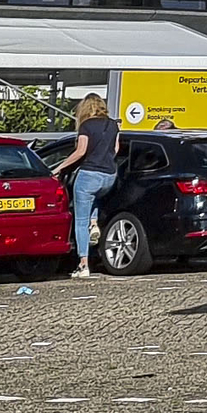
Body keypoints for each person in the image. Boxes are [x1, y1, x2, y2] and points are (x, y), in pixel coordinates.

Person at [52, 95, 120, 278]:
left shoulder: (86, 126)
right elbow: (116, 149)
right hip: (109, 175)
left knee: (79, 221)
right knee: (95, 196)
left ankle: (83, 264)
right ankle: (94, 222)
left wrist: (59, 168)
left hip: (89, 174)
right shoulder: (113, 124)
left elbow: (80, 151)